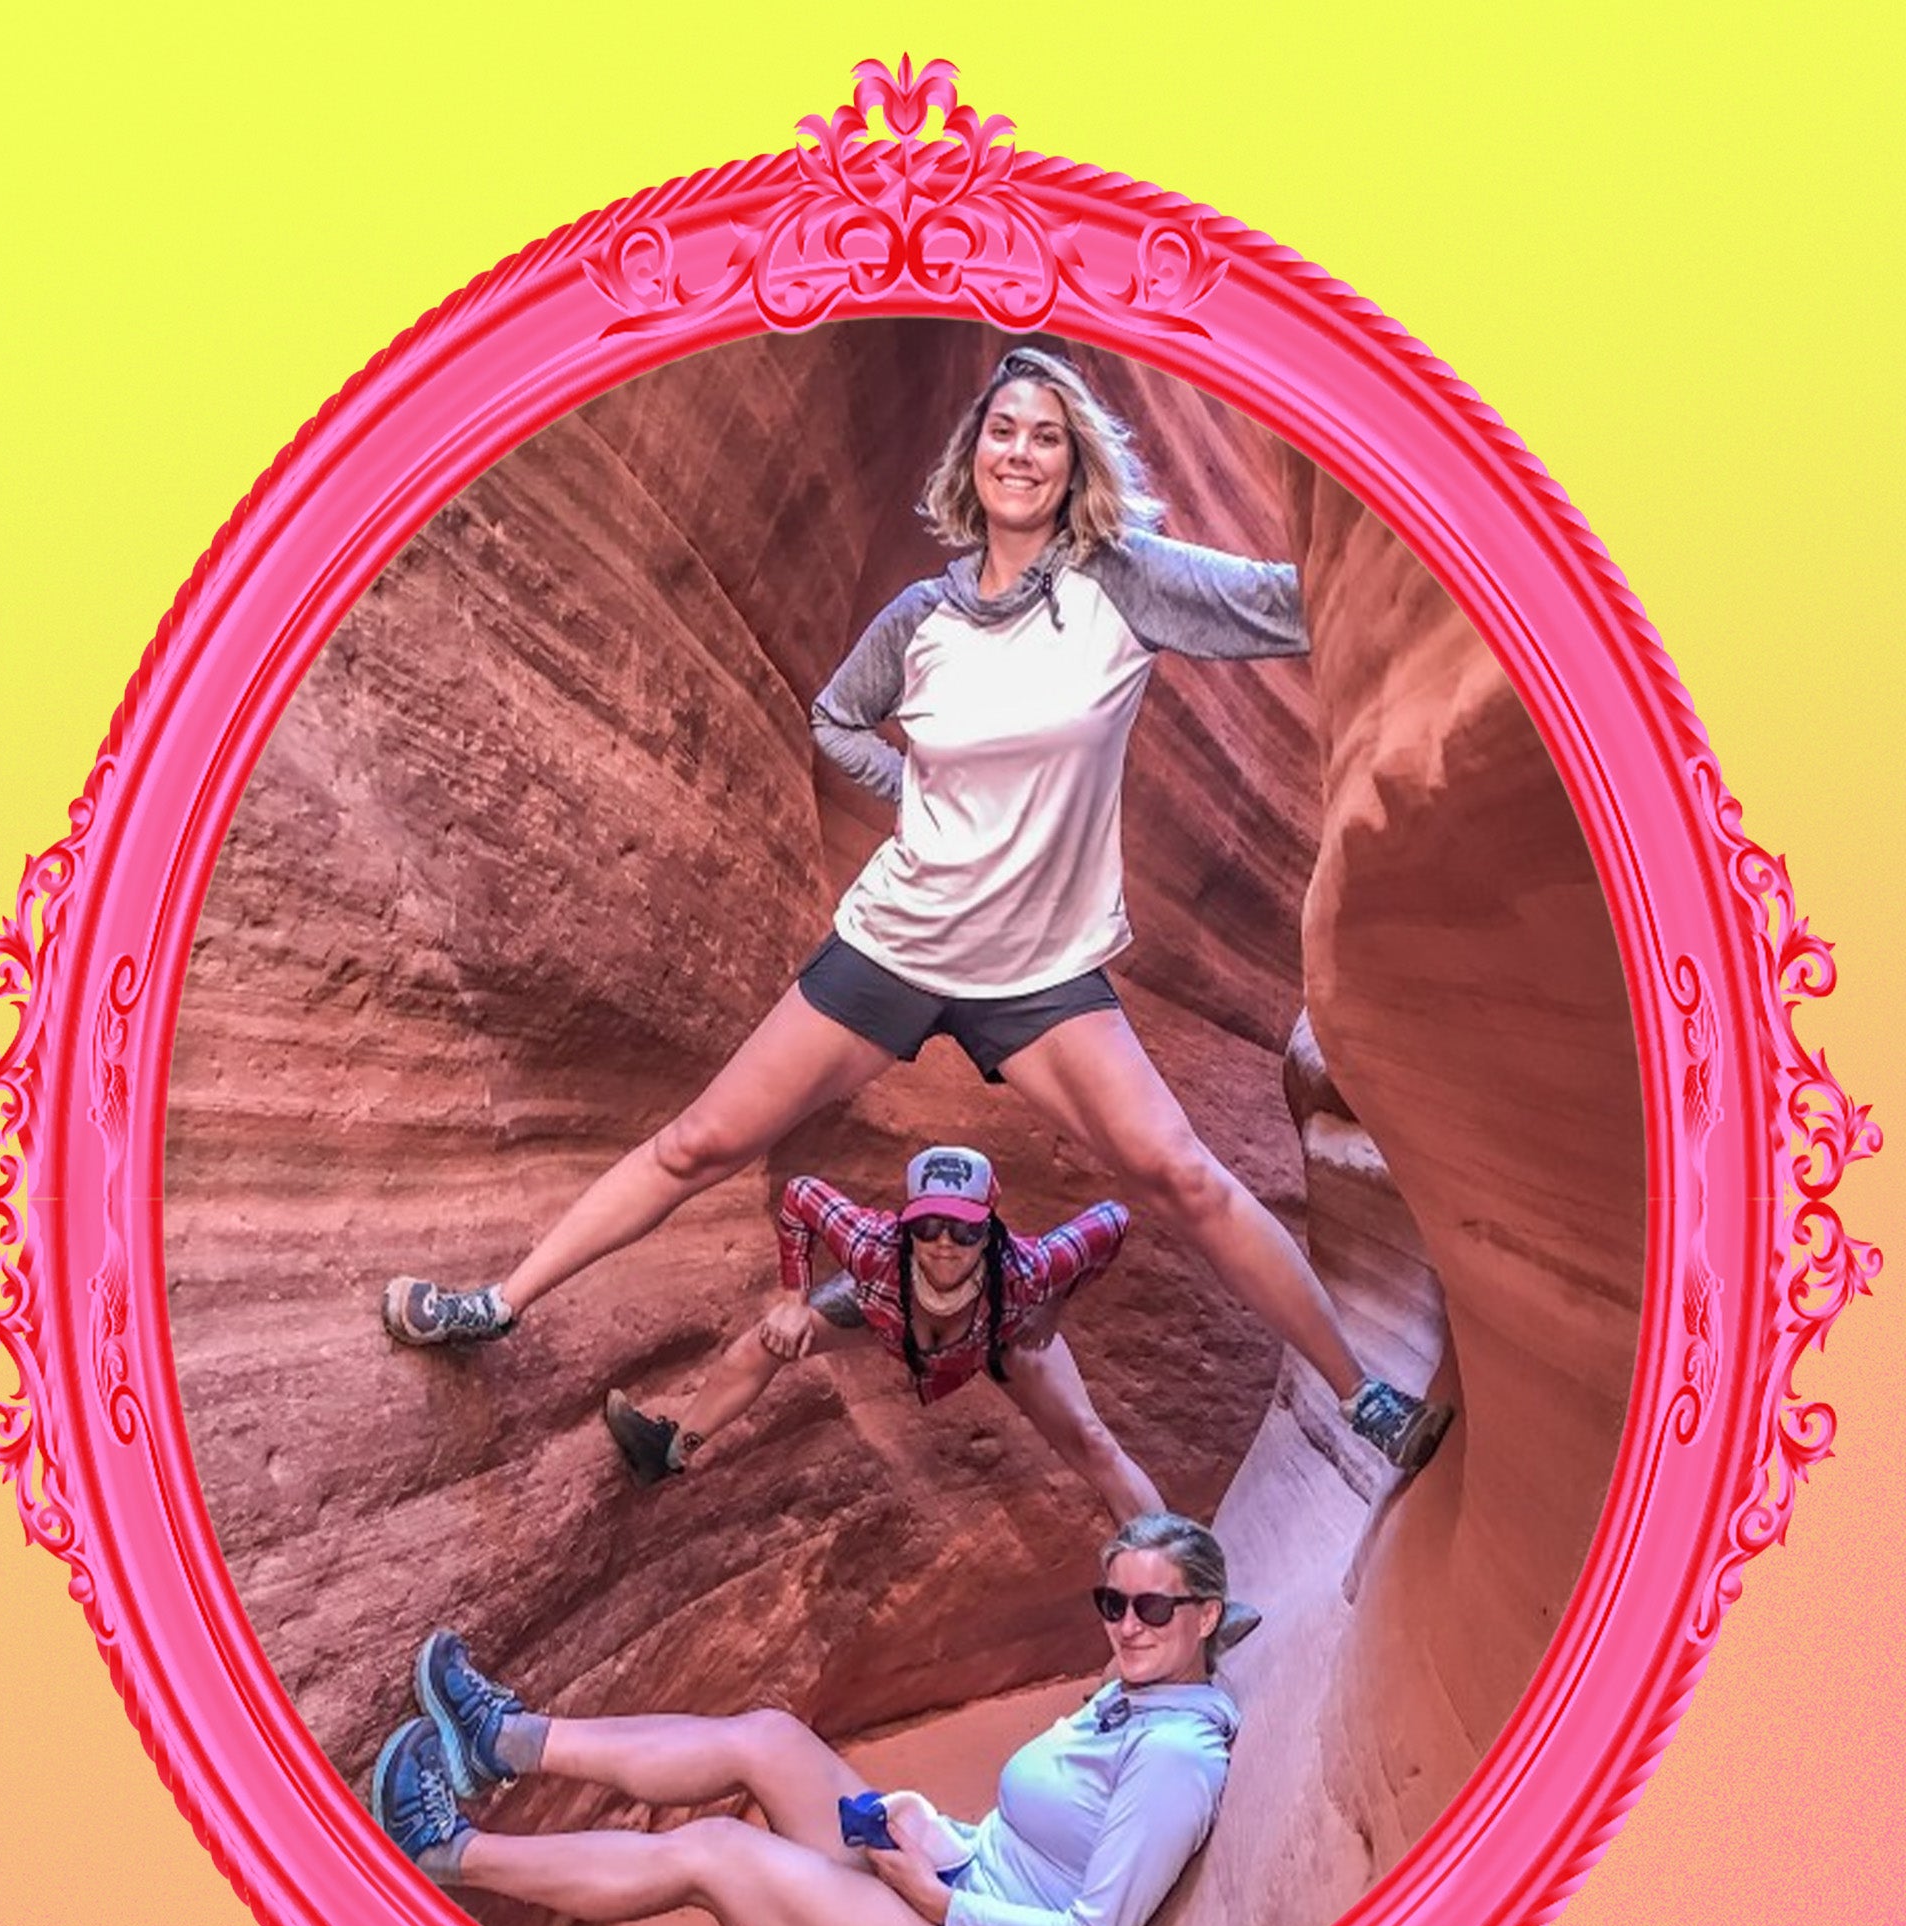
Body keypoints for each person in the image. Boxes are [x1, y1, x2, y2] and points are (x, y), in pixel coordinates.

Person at [382, 345, 1450, 1477]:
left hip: (1038, 975)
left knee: (1181, 1173)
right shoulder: (919, 619)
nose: (1021, 453)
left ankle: (1364, 1398)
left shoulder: (1121, 583)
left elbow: (1297, 606)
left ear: (1075, 461)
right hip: (894, 946)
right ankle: (496, 1304)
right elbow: (834, 717)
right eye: (1003, 431)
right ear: (972, 455)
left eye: (1046, 436)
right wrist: (915, 799)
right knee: (700, 1141)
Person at [372, 1513, 1251, 1926]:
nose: (1127, 1626)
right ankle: (505, 1743)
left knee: (714, 1855)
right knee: (769, 1739)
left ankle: (445, 1853)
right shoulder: (1136, 1693)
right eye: (1112, 1602)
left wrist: (940, 1902)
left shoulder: (1174, 1759)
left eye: (1152, 1610)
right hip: (959, 1886)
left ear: (1205, 1615)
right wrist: (933, 1834)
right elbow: (1040, 1839)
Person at [600, 1141, 1163, 1525]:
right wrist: (792, 1301)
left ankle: (1181, 1588)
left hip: (999, 1332)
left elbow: (1113, 1220)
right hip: (887, 1312)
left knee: (1092, 1441)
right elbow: (800, 1196)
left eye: (964, 1229)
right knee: (768, 1341)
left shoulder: (1030, 1271)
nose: (944, 1243)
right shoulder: (872, 1245)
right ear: (908, 1220)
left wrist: (1053, 1306)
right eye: (928, 1224)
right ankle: (667, 1451)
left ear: (988, 1226)